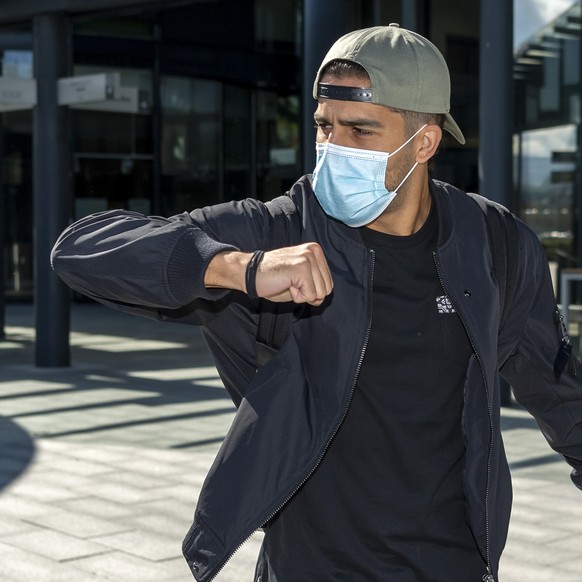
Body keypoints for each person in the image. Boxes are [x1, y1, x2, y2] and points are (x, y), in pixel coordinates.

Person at [51, 24, 582, 582]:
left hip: (455, 566)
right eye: (325, 127)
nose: (334, 148)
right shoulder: (274, 230)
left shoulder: (494, 244)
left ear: (423, 143)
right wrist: (239, 269)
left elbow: (557, 389)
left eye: (360, 130)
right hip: (309, 568)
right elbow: (79, 251)